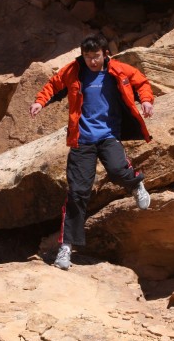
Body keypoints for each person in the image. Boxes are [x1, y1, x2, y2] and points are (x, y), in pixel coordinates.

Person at [29, 34, 155, 270]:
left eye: (96, 56)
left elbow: (141, 83)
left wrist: (146, 101)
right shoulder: (74, 70)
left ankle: (136, 184)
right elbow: (53, 85)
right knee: (77, 192)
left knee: (118, 169)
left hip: (108, 136)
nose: (92, 62)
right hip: (82, 140)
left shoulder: (117, 69)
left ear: (105, 54)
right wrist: (39, 102)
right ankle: (66, 248)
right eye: (87, 57)